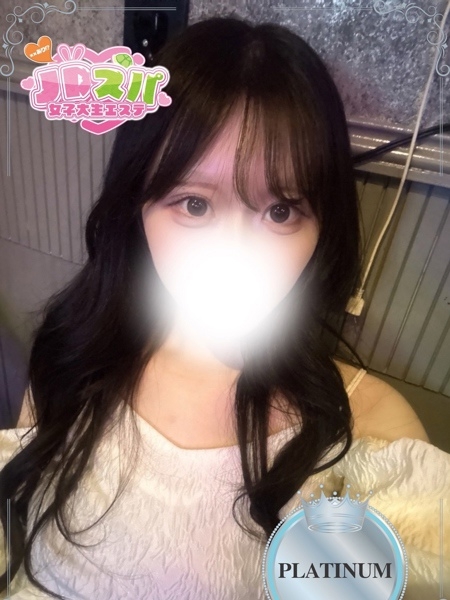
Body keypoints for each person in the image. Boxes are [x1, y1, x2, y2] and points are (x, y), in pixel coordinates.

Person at [0, 15, 449, 600]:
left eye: (280, 211)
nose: (235, 256)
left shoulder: (372, 432)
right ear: (137, 210)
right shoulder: (72, 357)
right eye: (194, 205)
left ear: (323, 228)